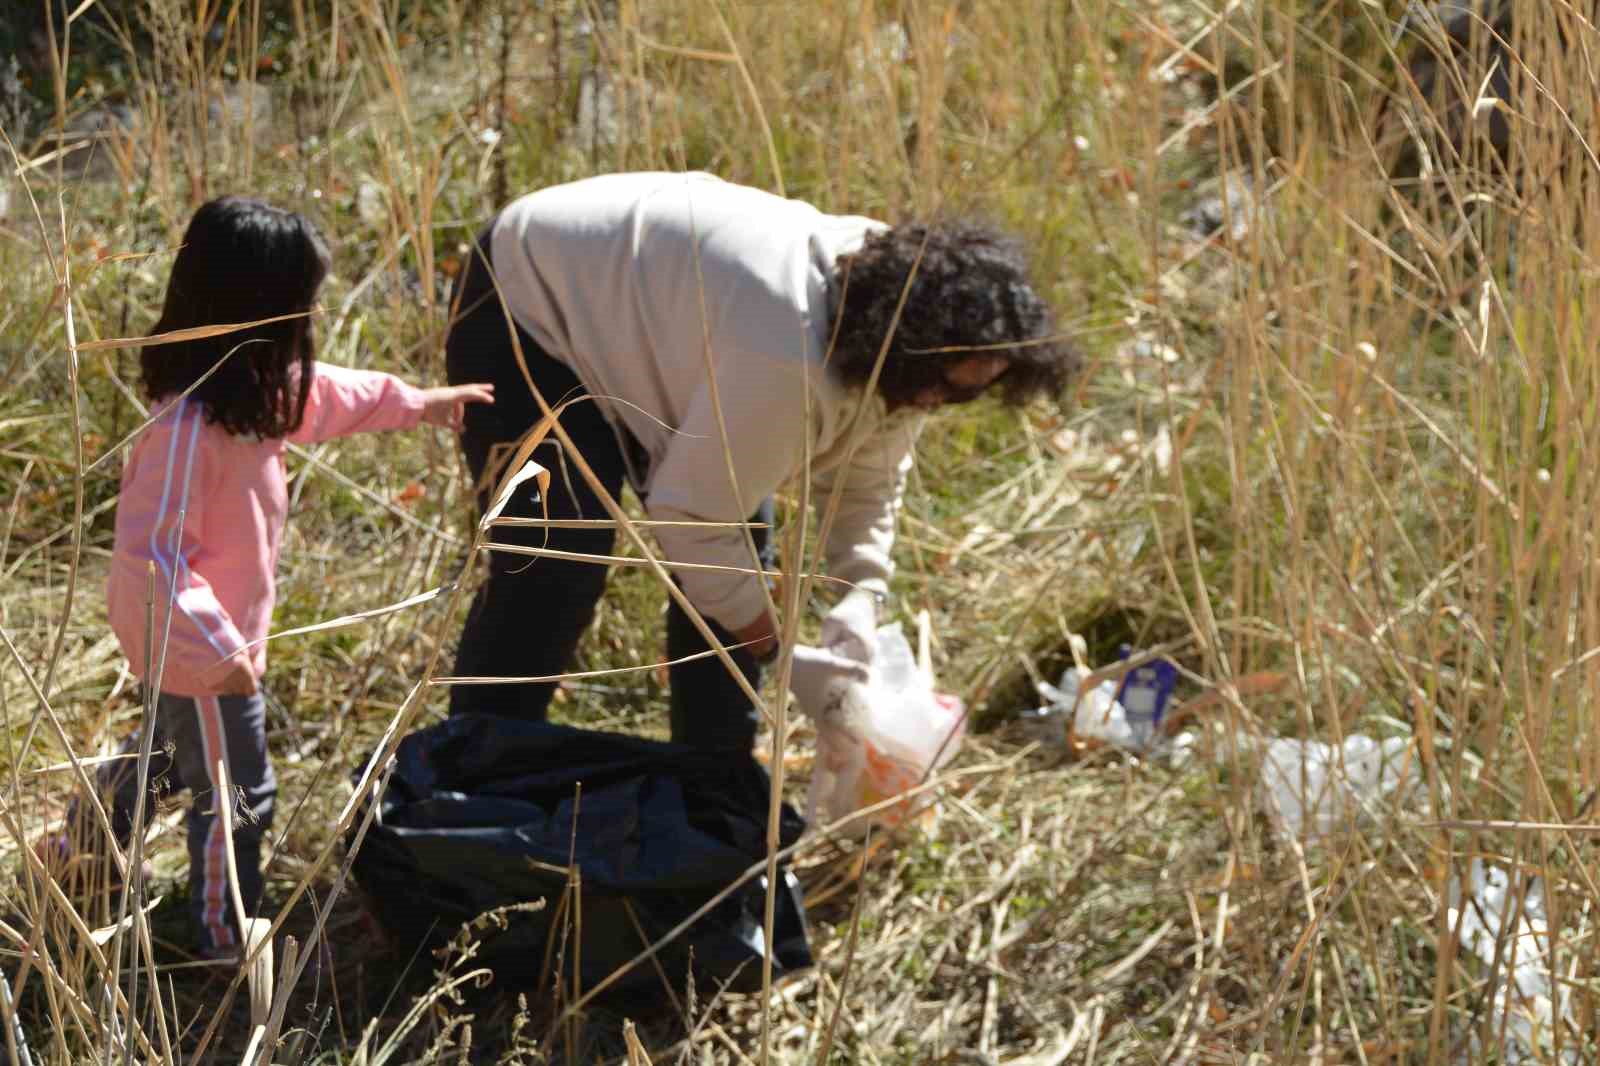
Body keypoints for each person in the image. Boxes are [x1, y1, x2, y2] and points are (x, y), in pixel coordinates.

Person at [445, 171, 1076, 751]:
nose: (941, 402)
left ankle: (715, 783)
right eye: (942, 384)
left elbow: (869, 482)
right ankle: (475, 770)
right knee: (556, 560)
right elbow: (691, 520)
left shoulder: (916, 313)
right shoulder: (795, 356)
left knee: (740, 555)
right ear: (907, 350)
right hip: (528, 298)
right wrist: (780, 652)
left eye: (968, 393)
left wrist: (860, 593)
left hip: (655, 318)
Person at [35, 196, 494, 960]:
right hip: (205, 654)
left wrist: (420, 406)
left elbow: (326, 395)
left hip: (206, 649)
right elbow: (152, 561)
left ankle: (76, 852)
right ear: (256, 316)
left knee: (164, 758)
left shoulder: (249, 397)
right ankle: (223, 929)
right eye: (300, 310)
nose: (309, 326)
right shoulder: (186, 431)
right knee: (239, 791)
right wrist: (223, 655)